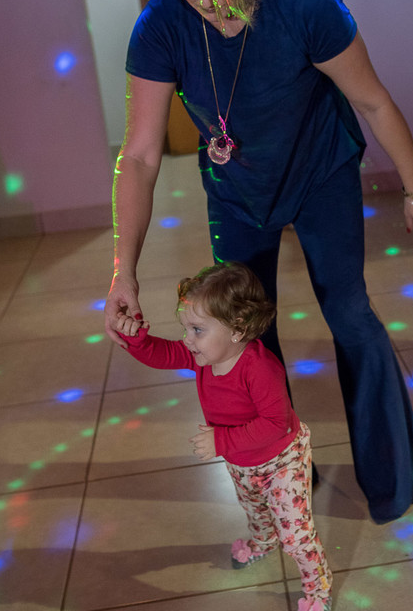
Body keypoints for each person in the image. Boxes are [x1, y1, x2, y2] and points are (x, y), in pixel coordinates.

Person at [105, 0, 413, 525]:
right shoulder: (160, 26)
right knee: (246, 335)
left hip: (321, 174)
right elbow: (139, 156)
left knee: (351, 316)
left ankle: (392, 480)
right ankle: (283, 474)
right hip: (237, 192)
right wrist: (124, 270)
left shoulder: (307, 0)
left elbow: (372, 101)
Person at [111, 262, 331, 611]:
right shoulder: (202, 355)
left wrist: (220, 442)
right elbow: (163, 354)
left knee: (295, 534)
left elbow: (276, 423)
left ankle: (318, 589)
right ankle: (263, 541)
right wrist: (137, 339)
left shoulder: (260, 368)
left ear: (237, 330)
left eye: (197, 330)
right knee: (255, 510)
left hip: (281, 461)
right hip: (241, 460)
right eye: (186, 328)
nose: (187, 339)